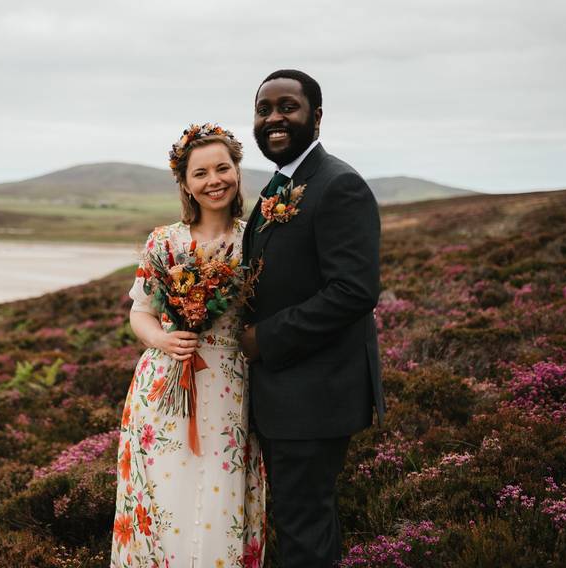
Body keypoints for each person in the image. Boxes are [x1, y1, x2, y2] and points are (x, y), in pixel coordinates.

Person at [239, 69, 386, 568]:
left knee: (303, 527)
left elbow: (354, 291)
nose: (274, 119)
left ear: (316, 117)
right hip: (286, 393)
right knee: (300, 521)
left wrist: (264, 339)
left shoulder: (338, 185)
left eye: (287, 107)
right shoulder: (281, 185)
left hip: (314, 394)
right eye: (264, 110)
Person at [110, 124, 266, 568]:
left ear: (237, 171)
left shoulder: (253, 240)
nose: (213, 180)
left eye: (223, 168)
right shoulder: (165, 241)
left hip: (231, 386)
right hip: (164, 384)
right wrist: (164, 338)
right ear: (185, 183)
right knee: (164, 493)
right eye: (200, 173)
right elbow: (140, 312)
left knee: (219, 495)